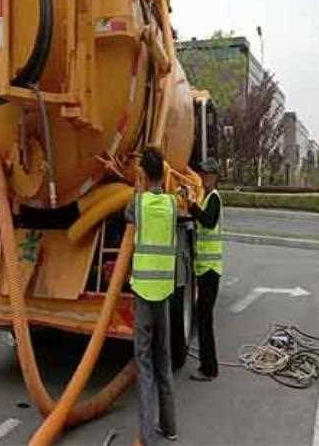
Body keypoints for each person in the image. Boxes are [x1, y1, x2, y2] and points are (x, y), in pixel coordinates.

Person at [125, 146, 178, 445]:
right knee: (163, 361)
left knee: (143, 364)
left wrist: (137, 186)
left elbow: (127, 213)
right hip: (165, 294)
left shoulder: (138, 203)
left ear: (144, 174)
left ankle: (146, 435)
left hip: (143, 293)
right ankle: (170, 427)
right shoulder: (172, 205)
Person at [188, 158, 224, 382]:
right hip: (204, 268)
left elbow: (209, 221)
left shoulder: (214, 198)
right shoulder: (206, 197)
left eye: (207, 175)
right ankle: (207, 365)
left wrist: (193, 207)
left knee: (204, 319)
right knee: (203, 318)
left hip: (211, 269)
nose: (203, 178)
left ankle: (209, 368)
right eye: (202, 175)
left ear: (214, 177)